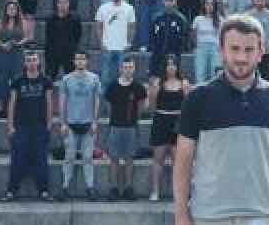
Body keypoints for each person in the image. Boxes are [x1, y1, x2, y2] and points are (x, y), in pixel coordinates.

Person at [173, 15, 269, 225]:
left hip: (262, 220)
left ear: (261, 52)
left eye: (249, 49)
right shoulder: (198, 97)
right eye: (234, 49)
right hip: (207, 220)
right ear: (221, 50)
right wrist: (181, 217)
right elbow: (183, 161)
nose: (241, 58)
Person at [2, 49, 53, 201]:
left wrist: (49, 123)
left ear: (39, 62)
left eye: (34, 60)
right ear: (24, 63)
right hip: (20, 126)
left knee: (41, 159)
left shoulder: (46, 81)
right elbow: (12, 103)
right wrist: (10, 125)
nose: (31, 63)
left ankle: (44, 191)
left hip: (39, 125)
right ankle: (11, 191)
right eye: (29, 60)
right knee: (17, 159)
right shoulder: (18, 81)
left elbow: (49, 103)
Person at [58, 51, 101, 202]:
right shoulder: (66, 79)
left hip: (88, 123)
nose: (80, 61)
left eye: (83, 59)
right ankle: (64, 186)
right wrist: (62, 122)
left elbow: (96, 101)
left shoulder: (94, 78)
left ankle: (90, 187)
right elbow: (62, 101)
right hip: (71, 123)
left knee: (88, 157)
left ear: (87, 61)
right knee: (69, 156)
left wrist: (95, 121)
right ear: (74, 61)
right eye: (78, 59)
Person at [104, 56, 147, 201]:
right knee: (114, 159)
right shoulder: (112, 86)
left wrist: (133, 119)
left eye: (130, 67)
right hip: (115, 126)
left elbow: (141, 106)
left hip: (131, 128)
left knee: (130, 159)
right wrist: (115, 118)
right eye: (125, 67)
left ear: (134, 69)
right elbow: (108, 106)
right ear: (120, 69)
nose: (128, 70)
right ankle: (114, 188)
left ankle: (128, 188)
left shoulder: (138, 87)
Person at [149, 54, 190, 202]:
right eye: (168, 65)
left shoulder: (184, 83)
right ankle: (155, 191)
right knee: (157, 159)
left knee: (177, 161)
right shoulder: (158, 82)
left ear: (177, 67)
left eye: (173, 64)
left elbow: (188, 106)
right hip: (161, 120)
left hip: (177, 123)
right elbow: (152, 104)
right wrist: (154, 89)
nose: (171, 67)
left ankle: (178, 192)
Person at [95, 0, 136, 86]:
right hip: (107, 46)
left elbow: (132, 26)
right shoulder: (103, 8)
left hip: (122, 46)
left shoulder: (129, 8)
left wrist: (129, 42)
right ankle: (104, 100)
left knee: (124, 76)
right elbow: (99, 26)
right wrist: (101, 42)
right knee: (105, 77)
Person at [191, 0, 221, 84]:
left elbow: (223, 36)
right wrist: (195, 48)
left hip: (215, 48)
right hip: (201, 48)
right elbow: (193, 35)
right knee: (200, 74)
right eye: (207, 4)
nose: (209, 6)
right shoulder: (198, 19)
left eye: (212, 4)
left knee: (214, 74)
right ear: (204, 5)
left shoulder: (220, 20)